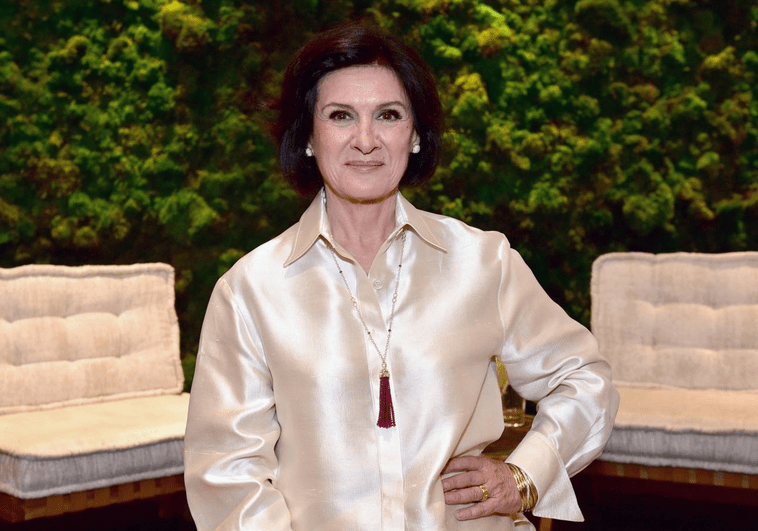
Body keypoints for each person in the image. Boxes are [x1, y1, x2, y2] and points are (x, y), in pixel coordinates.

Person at [184, 21, 619, 531]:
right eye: (341, 116)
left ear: (414, 136)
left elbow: (585, 379)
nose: (366, 141)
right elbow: (228, 474)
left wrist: (526, 475)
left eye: (388, 115)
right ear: (307, 137)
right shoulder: (250, 291)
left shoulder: (484, 262)